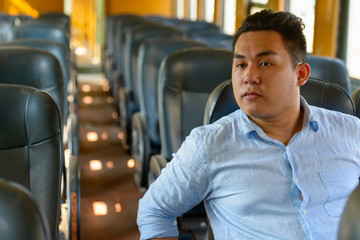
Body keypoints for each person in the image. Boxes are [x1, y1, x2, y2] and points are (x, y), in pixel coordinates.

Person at [137, 9, 360, 240]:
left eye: (265, 63)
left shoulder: (351, 132)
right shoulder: (208, 145)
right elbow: (154, 211)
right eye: (241, 65)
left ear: (300, 74)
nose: (249, 77)